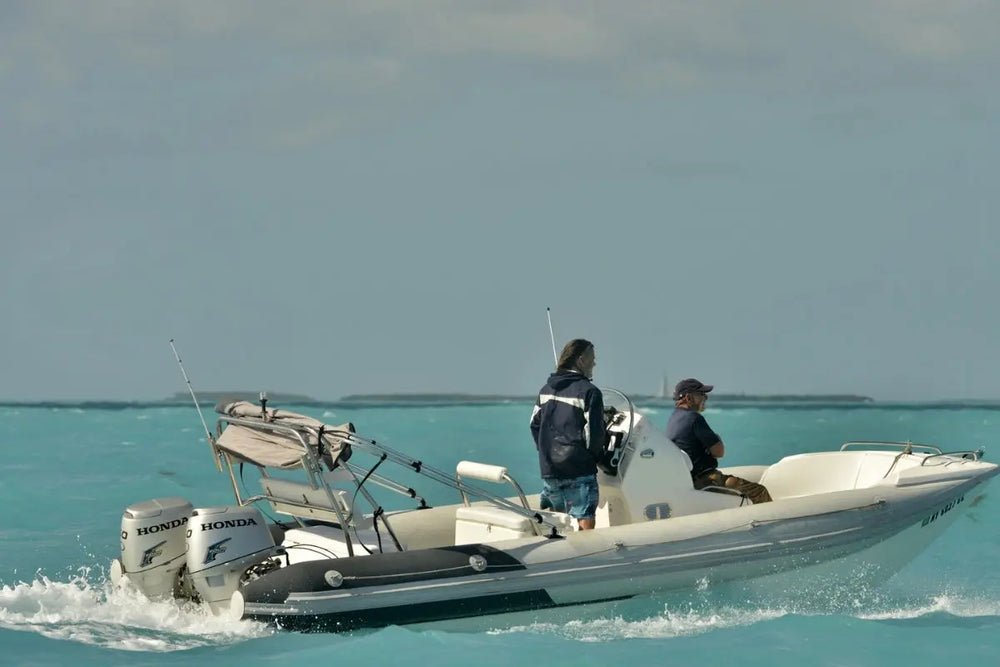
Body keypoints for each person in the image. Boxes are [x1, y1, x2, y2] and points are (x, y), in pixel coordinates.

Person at [529, 339, 606, 530]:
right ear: (580, 360)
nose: (595, 363)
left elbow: (534, 425)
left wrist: (545, 451)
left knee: (555, 519)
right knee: (584, 514)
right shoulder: (590, 392)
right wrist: (594, 457)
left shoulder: (546, 390)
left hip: (550, 469)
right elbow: (594, 435)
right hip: (578, 468)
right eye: (592, 358)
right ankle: (587, 547)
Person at [666, 378, 772, 504]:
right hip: (706, 480)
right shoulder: (694, 418)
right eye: (701, 394)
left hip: (690, 479)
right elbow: (719, 452)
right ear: (688, 398)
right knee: (759, 491)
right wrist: (718, 438)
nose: (705, 398)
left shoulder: (674, 418)